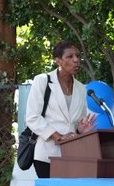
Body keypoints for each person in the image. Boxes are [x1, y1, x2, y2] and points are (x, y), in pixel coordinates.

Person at [25, 40, 97, 178]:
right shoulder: (42, 81)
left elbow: (78, 121)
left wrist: (80, 130)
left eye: (77, 56)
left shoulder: (81, 88)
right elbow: (32, 117)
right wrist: (57, 136)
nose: (76, 60)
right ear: (58, 60)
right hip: (47, 154)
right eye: (70, 57)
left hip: (73, 154)